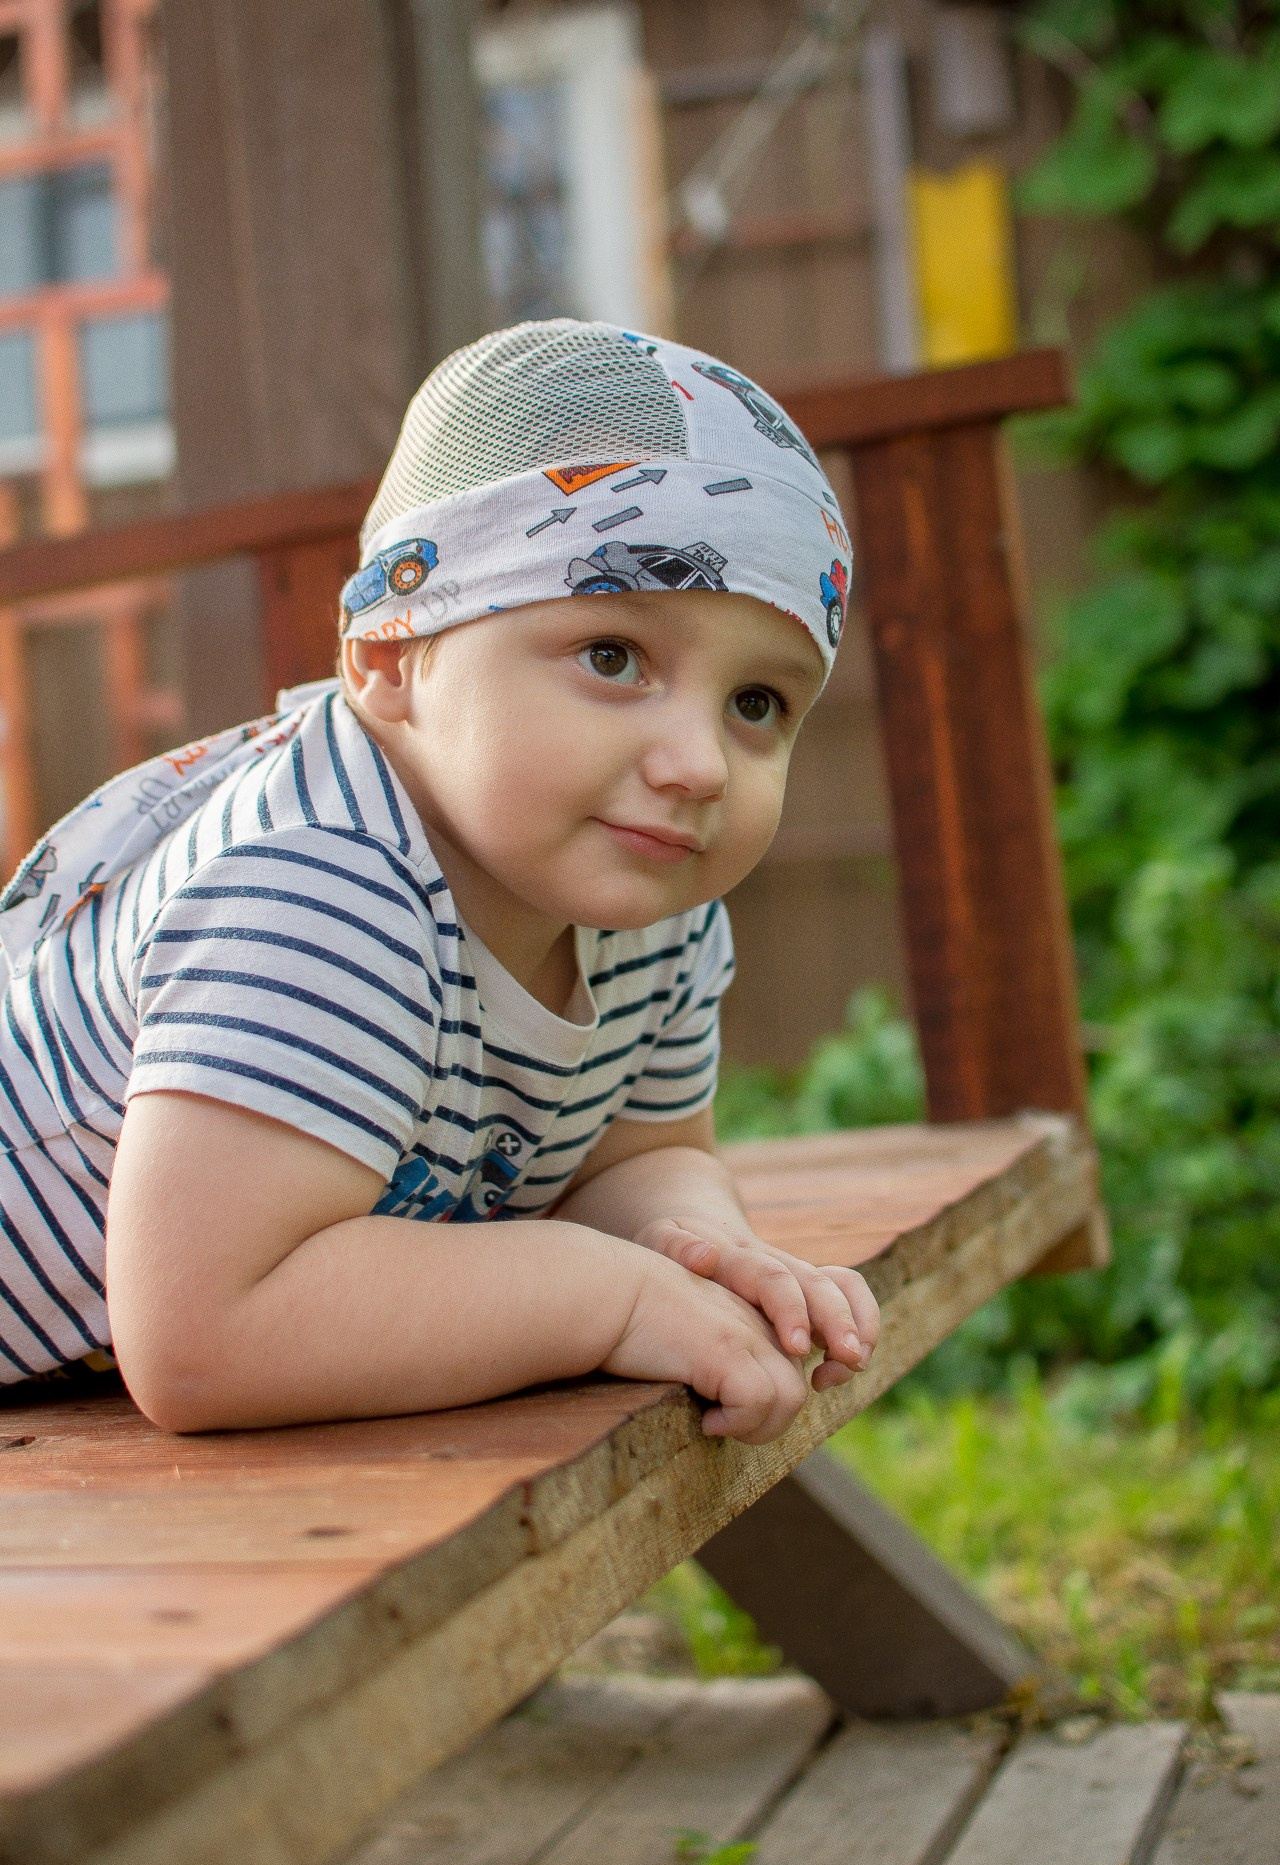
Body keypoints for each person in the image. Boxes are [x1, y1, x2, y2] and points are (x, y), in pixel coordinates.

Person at [0, 319, 879, 1440]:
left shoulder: (653, 908)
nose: (698, 764)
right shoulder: (320, 880)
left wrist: (706, 1261)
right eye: (612, 657)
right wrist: (605, 1298)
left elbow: (636, 1159)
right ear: (388, 658)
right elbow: (204, 1335)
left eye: (755, 703)